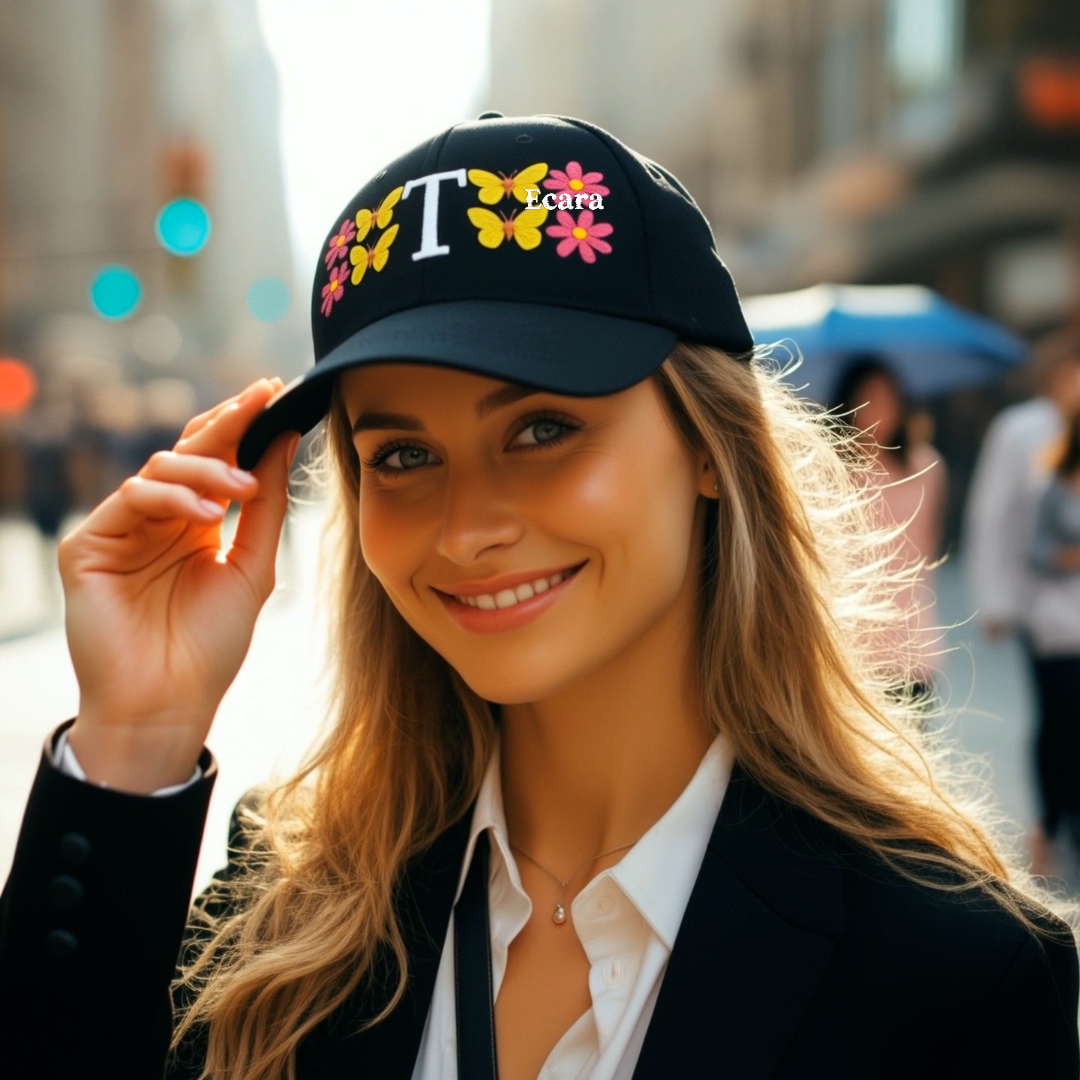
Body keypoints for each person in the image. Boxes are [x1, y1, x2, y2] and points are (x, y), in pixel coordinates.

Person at [1, 114, 1076, 1080]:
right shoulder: (288, 899)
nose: (468, 529)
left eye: (543, 430)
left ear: (709, 447)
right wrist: (134, 738)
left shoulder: (953, 976)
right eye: (405, 454)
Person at [965, 329, 1080, 873]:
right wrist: (995, 600)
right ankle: (1052, 822)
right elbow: (995, 518)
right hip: (1044, 610)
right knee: (1058, 717)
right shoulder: (1021, 431)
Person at [833, 357, 947, 701]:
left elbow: (928, 547)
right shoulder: (832, 471)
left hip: (911, 640)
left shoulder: (925, 467)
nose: (877, 411)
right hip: (848, 647)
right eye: (867, 399)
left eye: (887, 399)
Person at [1027, 404, 1080, 877]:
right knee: (1059, 726)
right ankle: (1050, 822)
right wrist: (1069, 555)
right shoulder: (1055, 487)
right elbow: (1037, 551)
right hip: (1058, 628)